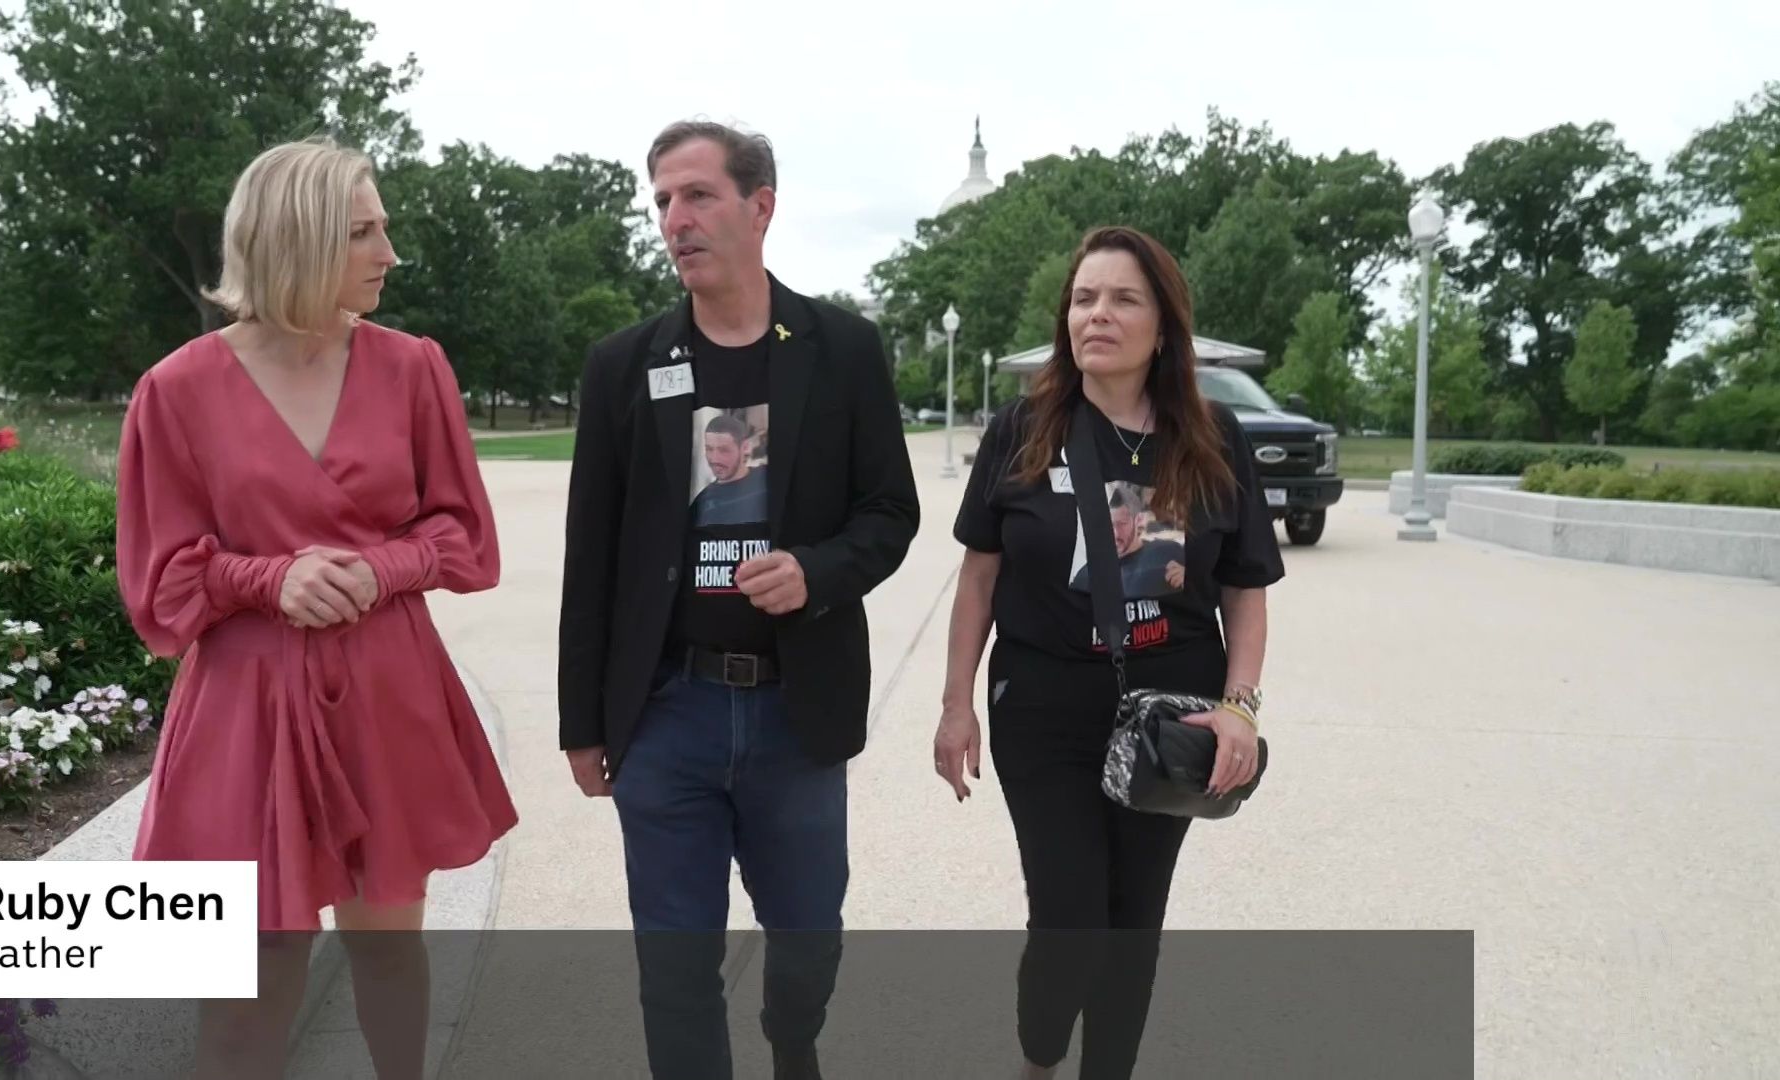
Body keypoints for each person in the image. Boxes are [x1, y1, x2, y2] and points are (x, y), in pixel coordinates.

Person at [114, 135, 518, 1080]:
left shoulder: (413, 366)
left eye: (384, 229)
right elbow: (160, 582)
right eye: (363, 233)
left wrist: (382, 569)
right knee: (249, 988)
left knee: (389, 954)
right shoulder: (176, 390)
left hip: (385, 691)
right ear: (297, 240)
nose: (389, 253)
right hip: (247, 710)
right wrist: (268, 580)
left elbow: (464, 535)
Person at [557, 119, 920, 1080]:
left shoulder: (842, 348)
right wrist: (582, 723)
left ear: (761, 207)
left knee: (808, 943)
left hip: (795, 712)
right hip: (665, 710)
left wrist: (817, 572)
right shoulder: (624, 365)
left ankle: (792, 1040)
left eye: (698, 195)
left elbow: (891, 511)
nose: (675, 219)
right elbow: (591, 557)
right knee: (675, 971)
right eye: (662, 201)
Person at [934, 225, 1284, 1079]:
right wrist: (954, 704)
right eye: (1085, 298)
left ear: (1163, 327)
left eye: (1124, 299)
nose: (1099, 314)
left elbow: (1245, 589)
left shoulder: (1215, 437)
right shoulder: (1022, 430)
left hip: (1172, 720)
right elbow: (979, 577)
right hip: (1043, 711)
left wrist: (1239, 708)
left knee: (1132, 927)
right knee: (1071, 922)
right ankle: (1041, 1054)